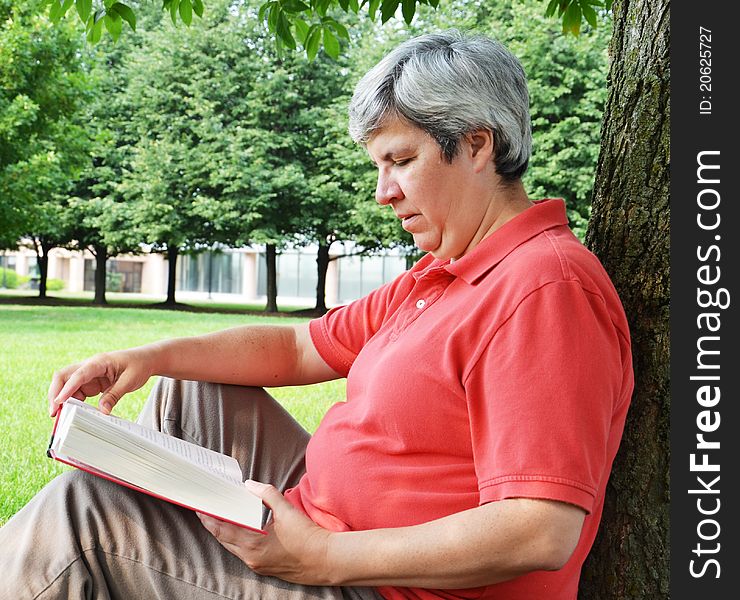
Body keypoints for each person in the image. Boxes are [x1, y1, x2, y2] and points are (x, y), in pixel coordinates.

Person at [0, 30, 633, 600]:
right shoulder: (443, 272)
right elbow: (302, 348)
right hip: (320, 517)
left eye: (402, 161)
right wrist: (143, 358)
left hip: (378, 584)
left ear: (476, 145)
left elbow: (540, 530)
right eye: (377, 166)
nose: (383, 192)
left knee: (84, 516)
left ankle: (113, 554)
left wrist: (321, 557)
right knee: (191, 387)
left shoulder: (545, 287)